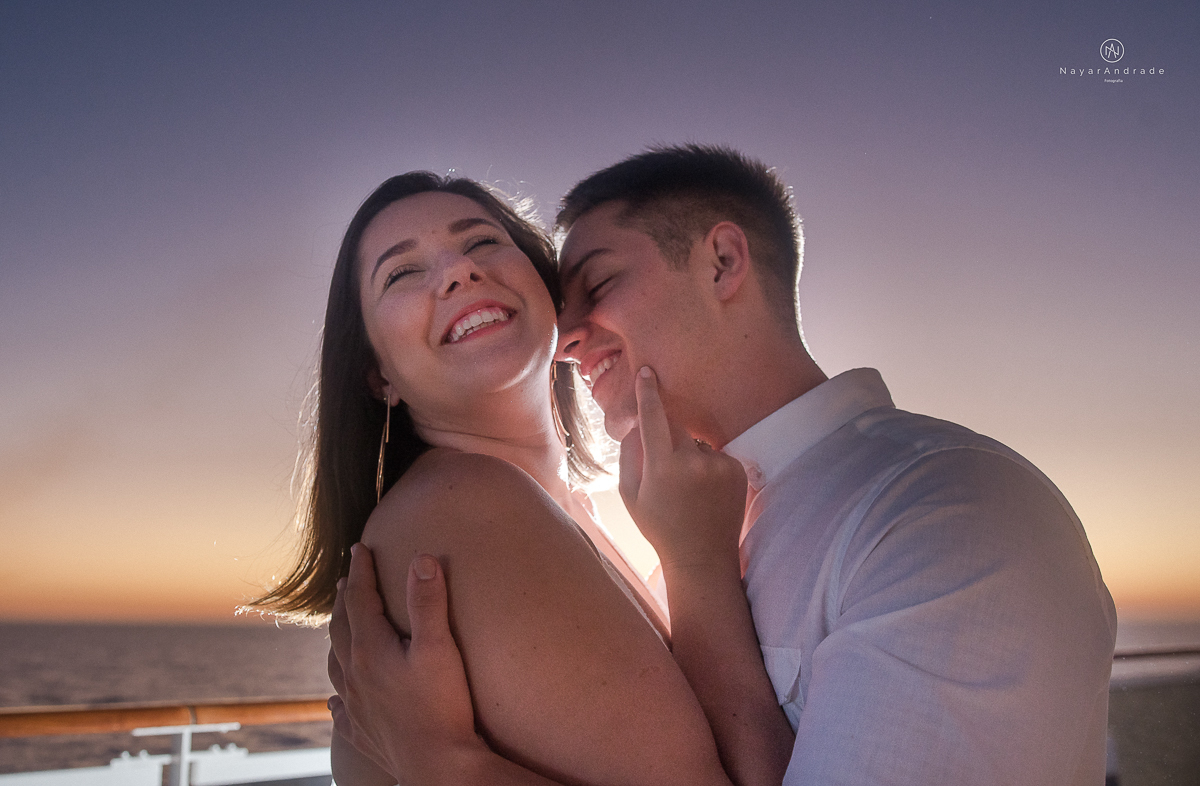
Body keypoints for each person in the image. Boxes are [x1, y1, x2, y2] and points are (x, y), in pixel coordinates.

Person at [330, 145, 1118, 785]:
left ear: (722, 263)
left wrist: (448, 771)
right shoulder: (479, 510)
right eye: (401, 272)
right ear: (379, 376)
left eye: (597, 284)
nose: (573, 335)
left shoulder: (945, 511)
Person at [255, 171, 790, 786]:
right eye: (402, 273)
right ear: (380, 377)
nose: (459, 272)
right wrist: (700, 567)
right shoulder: (467, 507)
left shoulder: (562, 512)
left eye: (482, 242)